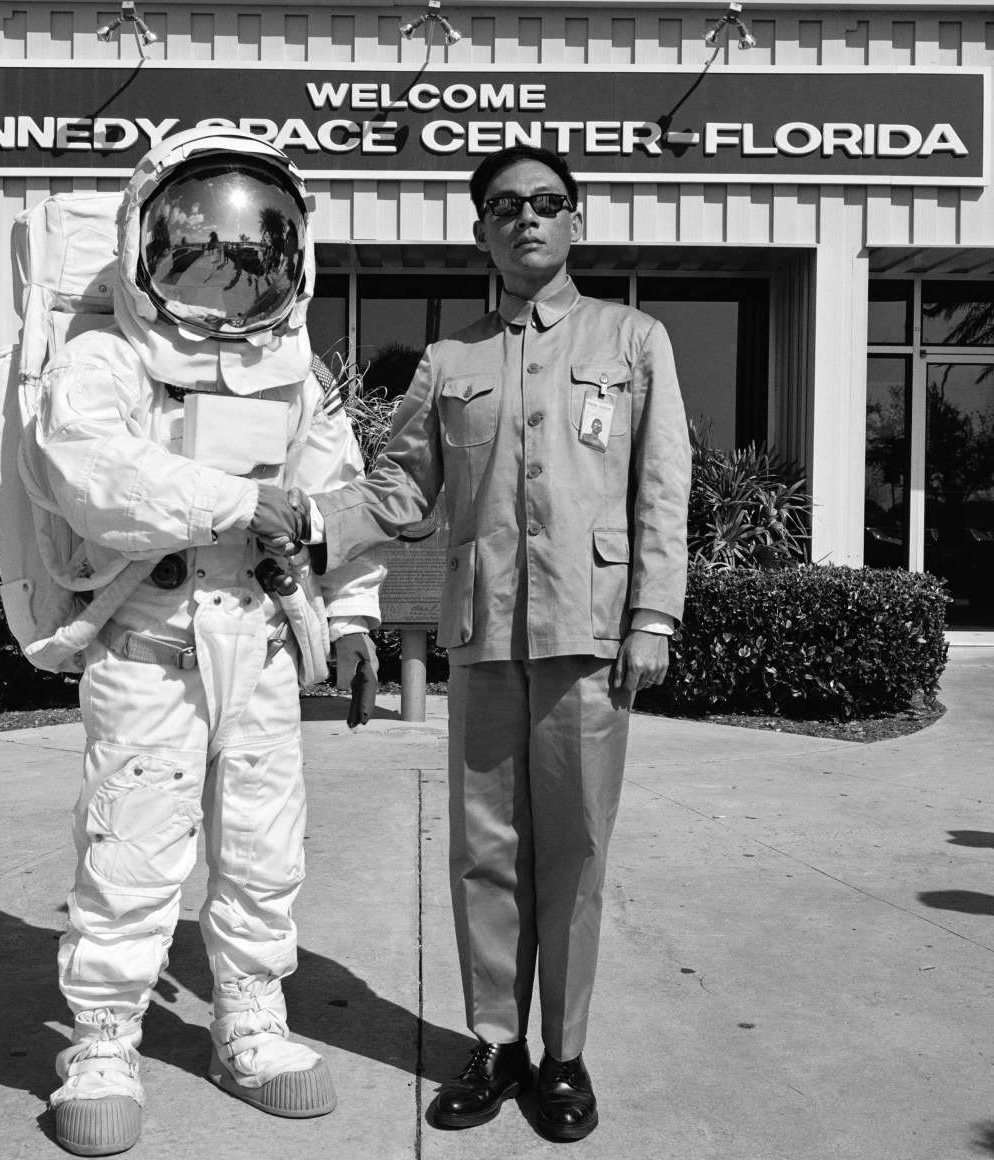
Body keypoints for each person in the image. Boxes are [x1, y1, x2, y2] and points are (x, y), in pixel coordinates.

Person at [273, 145, 690, 1141]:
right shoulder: (448, 361)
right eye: (504, 207)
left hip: (588, 637)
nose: (525, 220)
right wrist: (305, 519)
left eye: (546, 203)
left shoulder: (632, 339)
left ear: (575, 221)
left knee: (575, 849)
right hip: (485, 635)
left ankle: (564, 1054)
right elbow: (401, 487)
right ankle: (495, 1040)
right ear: (480, 231)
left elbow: (659, 491)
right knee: (483, 852)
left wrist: (655, 617)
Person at [31, 127, 382, 1157]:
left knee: (263, 850)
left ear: (290, 255)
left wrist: (353, 614)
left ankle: (251, 1022)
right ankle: (99, 1042)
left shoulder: (292, 370)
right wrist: (238, 502)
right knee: (134, 847)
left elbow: (339, 494)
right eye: (201, 242)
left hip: (263, 640)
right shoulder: (106, 356)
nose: (230, 265)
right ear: (151, 238)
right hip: (152, 638)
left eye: (255, 245)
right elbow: (89, 475)